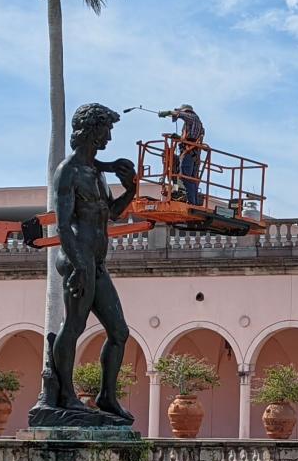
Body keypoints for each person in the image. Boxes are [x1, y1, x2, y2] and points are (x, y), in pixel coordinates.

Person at [31, 102, 136, 425]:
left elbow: (112, 214)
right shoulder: (69, 171)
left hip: (96, 262)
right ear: (92, 129)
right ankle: (64, 395)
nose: (109, 135)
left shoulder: (97, 172)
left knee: (119, 332)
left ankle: (107, 397)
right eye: (106, 128)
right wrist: (78, 264)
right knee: (73, 327)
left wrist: (131, 189)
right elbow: (62, 225)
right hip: (78, 258)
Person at [158, 104, 205, 205]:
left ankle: (192, 202)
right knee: (191, 179)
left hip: (188, 152)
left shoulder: (192, 117)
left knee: (185, 177)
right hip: (194, 154)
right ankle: (193, 201)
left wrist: (168, 112)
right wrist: (179, 137)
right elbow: (191, 137)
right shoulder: (198, 124)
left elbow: (182, 115)